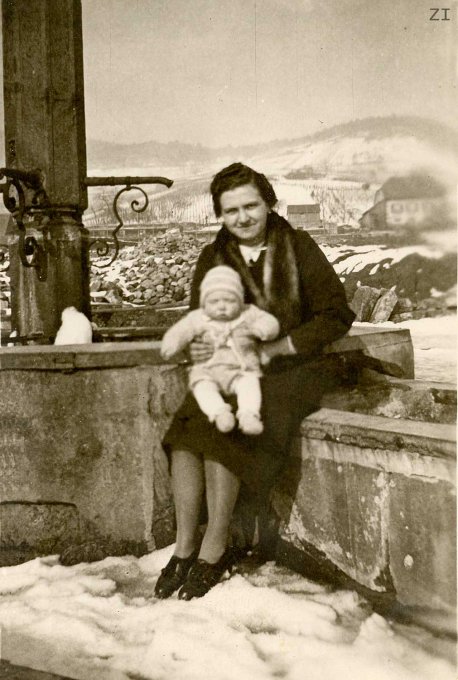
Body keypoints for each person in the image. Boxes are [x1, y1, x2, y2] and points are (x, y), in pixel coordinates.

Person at [155, 162, 355, 601]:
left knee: (229, 433)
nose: (243, 218)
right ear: (220, 215)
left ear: (268, 203)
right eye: (231, 211)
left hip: (293, 367)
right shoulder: (214, 257)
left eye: (251, 206)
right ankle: (185, 546)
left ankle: (215, 546)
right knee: (187, 431)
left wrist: (277, 348)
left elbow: (336, 315)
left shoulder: (298, 246)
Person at [160, 265, 280, 436]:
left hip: (241, 370)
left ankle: (248, 415)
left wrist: (263, 329)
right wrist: (171, 345)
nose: (222, 307)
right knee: (202, 388)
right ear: (204, 303)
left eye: (230, 301)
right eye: (214, 302)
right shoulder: (198, 318)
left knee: (250, 385)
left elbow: (270, 322)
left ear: (240, 301)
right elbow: (181, 331)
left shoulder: (247, 313)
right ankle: (219, 413)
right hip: (208, 370)